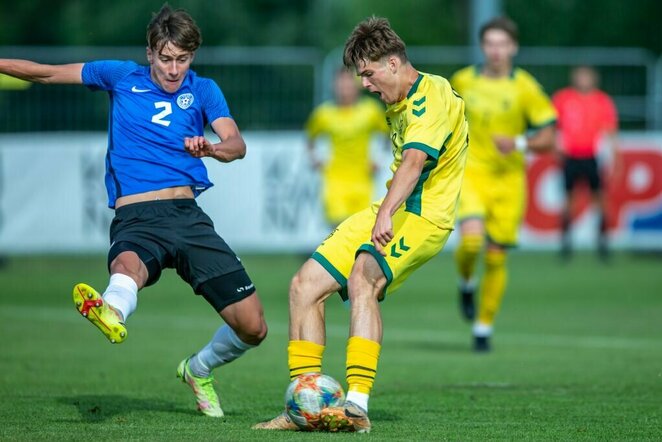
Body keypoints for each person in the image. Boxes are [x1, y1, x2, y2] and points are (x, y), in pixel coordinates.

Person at [0, 4, 267, 418]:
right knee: (127, 265)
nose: (174, 69)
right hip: (138, 218)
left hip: (188, 217)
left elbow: (237, 144)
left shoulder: (205, 90)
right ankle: (112, 311)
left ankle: (198, 370)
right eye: (166, 58)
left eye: (183, 59)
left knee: (253, 327)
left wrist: (212, 148)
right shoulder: (121, 76)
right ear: (149, 52)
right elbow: (47, 72)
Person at [253, 16, 468, 433]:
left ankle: (356, 406)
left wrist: (387, 211)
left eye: (368, 74)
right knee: (304, 285)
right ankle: (304, 404)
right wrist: (384, 208)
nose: (365, 85)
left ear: (392, 63)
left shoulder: (432, 95)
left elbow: (414, 161)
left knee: (362, 277)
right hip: (388, 207)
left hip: (424, 217)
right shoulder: (396, 101)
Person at [450, 17, 556, 352]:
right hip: (472, 173)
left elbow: (549, 135)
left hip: (509, 180)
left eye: (502, 44)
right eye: (490, 43)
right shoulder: (463, 80)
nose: (496, 50)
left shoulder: (525, 87)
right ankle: (466, 281)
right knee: (470, 242)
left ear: (513, 47)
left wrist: (521, 144)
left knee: (496, 257)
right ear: (483, 47)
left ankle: (483, 327)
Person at [305, 67, 388, 228]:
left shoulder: (371, 111)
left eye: (348, 82)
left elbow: (387, 136)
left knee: (363, 230)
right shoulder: (324, 114)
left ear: (357, 85)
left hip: (363, 181)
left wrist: (379, 159)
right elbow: (310, 140)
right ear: (334, 86)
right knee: (339, 229)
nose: (345, 88)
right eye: (341, 83)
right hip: (335, 181)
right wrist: (315, 159)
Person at [552, 65, 620, 261]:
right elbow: (552, 126)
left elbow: (610, 131)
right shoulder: (563, 98)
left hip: (592, 156)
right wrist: (556, 149)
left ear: (594, 79)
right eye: (580, 76)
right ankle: (566, 244)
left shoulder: (602, 101)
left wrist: (615, 156)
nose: (583, 80)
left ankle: (603, 244)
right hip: (570, 156)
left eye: (586, 76)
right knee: (568, 200)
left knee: (600, 200)